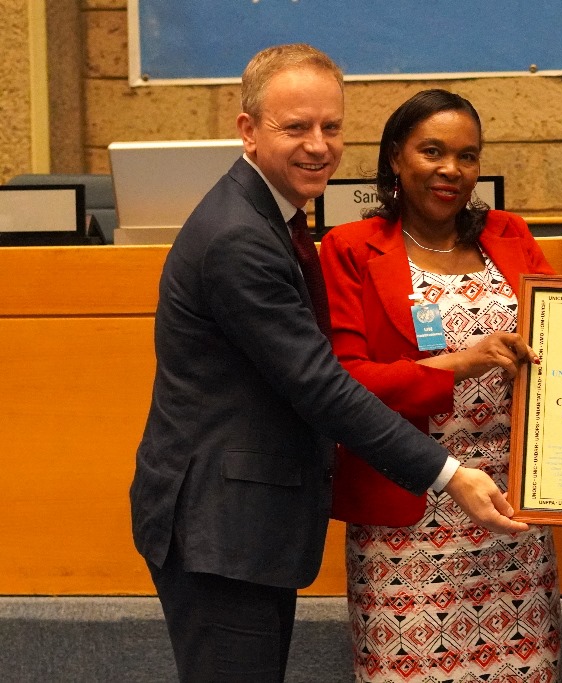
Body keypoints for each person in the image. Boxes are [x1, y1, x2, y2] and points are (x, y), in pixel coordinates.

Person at [130, 46, 525, 683]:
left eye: (331, 127)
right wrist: (449, 474)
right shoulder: (239, 237)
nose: (318, 145)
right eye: (296, 128)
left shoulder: (275, 218)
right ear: (248, 130)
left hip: (244, 521)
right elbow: (319, 384)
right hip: (220, 526)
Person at [317, 89, 561, 682]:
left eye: (467, 156)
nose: (452, 169)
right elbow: (342, 383)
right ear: (395, 158)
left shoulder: (508, 234)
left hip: (511, 515)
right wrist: (456, 364)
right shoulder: (350, 249)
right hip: (410, 511)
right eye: (432, 151)